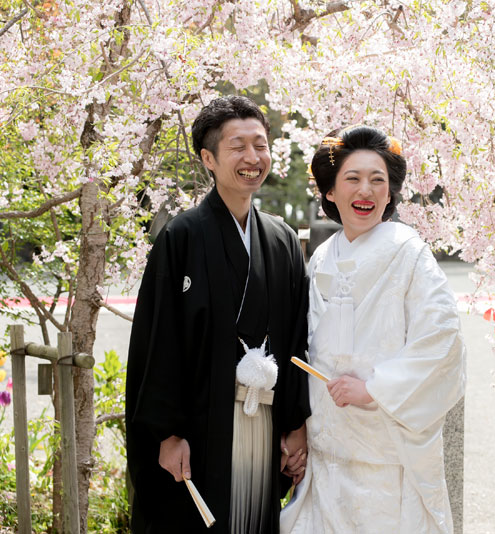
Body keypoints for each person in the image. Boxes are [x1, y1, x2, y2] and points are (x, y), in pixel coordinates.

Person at [126, 95, 310, 533]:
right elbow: (160, 340)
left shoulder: (281, 240)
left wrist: (296, 424)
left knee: (252, 520)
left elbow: (296, 337)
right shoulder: (182, 236)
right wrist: (167, 434)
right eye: (238, 147)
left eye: (261, 145)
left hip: (263, 421)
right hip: (200, 425)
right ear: (208, 158)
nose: (253, 158)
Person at [280, 126, 466, 533]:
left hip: (386, 452)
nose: (365, 190)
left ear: (390, 194)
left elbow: (443, 338)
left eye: (377, 180)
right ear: (330, 191)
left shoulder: (409, 252)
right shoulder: (324, 257)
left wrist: (375, 389)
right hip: (329, 449)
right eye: (353, 178)